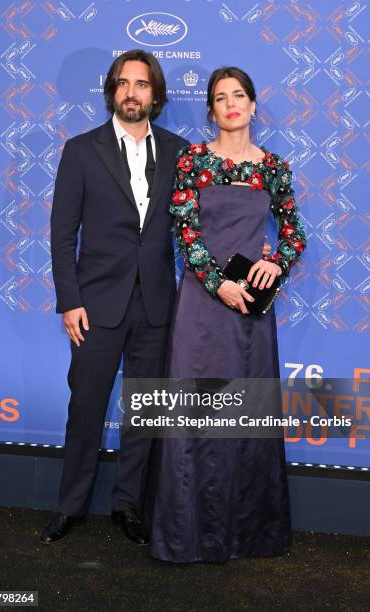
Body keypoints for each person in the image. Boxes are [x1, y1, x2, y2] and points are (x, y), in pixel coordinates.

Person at [150, 67, 307, 563]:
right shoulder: (194, 160)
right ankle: (187, 537)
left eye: (239, 95)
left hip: (251, 313)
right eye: (220, 98)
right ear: (211, 109)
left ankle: (249, 536)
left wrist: (272, 263)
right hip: (203, 302)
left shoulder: (274, 168)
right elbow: (185, 232)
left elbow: (295, 233)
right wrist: (220, 284)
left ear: (254, 105)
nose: (231, 104)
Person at [40, 49, 189, 545]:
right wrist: (69, 300)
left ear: (155, 94)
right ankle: (70, 506)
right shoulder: (81, 150)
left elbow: (196, 227)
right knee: (85, 408)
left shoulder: (179, 151)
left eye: (141, 84)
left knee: (144, 412)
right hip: (95, 305)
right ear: (112, 91)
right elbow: (63, 235)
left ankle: (128, 506)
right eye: (124, 83)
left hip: (156, 307)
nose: (132, 92)